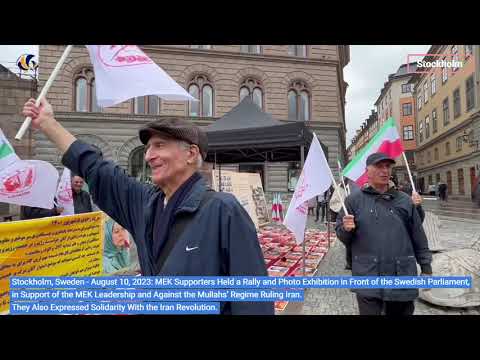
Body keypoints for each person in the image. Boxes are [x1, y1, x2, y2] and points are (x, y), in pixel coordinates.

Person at [22, 97, 273, 315]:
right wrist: (48, 123)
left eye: (160, 145)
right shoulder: (144, 203)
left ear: (191, 154)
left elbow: (253, 301)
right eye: (148, 147)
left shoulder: (223, 210)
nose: (148, 155)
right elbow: (96, 169)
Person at [335, 152, 432, 316]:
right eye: (379, 166)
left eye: (387, 166)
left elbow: (418, 236)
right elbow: (343, 237)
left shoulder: (404, 200)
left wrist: (426, 268)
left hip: (401, 275)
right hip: (368, 275)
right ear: (367, 171)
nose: (385, 170)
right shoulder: (353, 201)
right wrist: (346, 229)